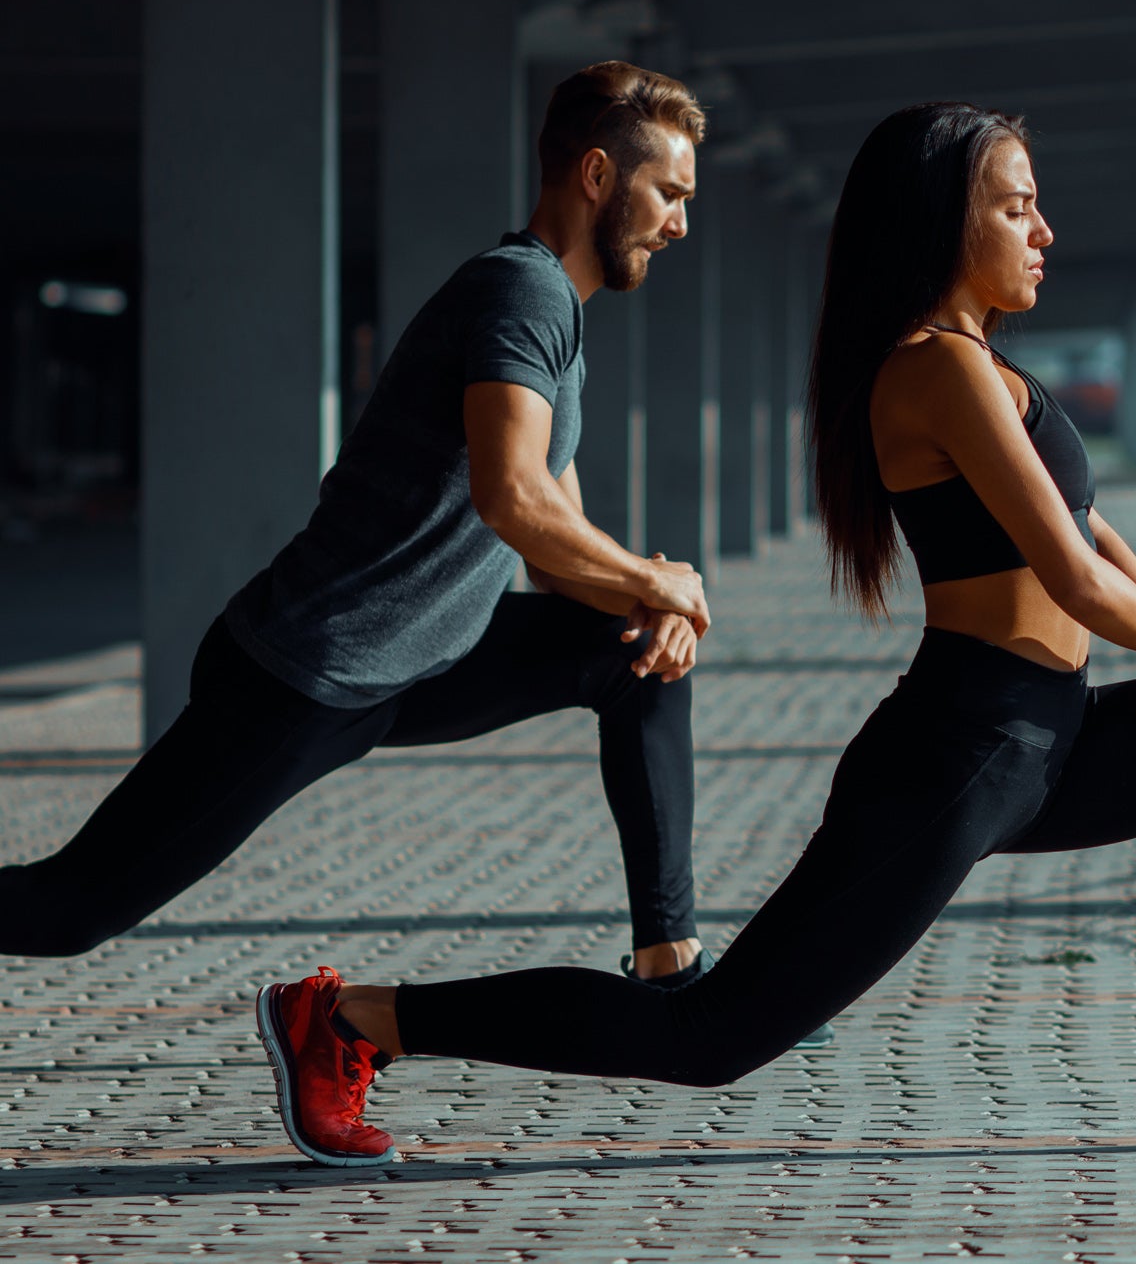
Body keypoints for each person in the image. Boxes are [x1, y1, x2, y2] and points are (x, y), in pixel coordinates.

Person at [254, 101, 1136, 1167]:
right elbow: (1067, 574)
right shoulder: (931, 370)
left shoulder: (993, 369)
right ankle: (353, 1019)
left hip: (1054, 743)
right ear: (946, 223)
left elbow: (1093, 540)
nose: (1044, 231)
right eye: (1017, 208)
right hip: (963, 754)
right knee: (710, 1036)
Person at [0, 62, 722, 993]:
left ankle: (672, 967)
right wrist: (656, 582)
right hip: (309, 670)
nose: (680, 224)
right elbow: (514, 499)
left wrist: (650, 601)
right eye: (669, 192)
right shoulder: (521, 294)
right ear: (595, 176)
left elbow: (555, 549)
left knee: (636, 663)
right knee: (69, 911)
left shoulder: (559, 321)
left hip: (422, 660)